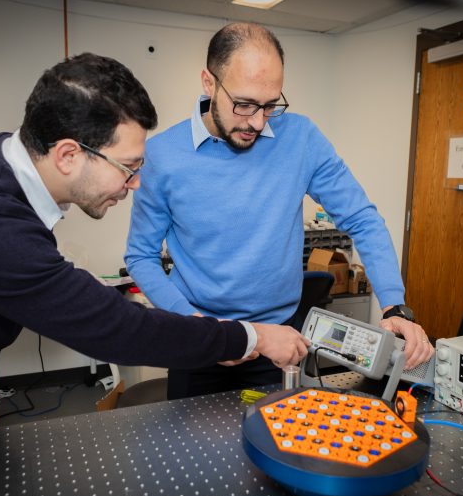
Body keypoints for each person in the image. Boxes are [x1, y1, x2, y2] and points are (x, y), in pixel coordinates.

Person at [0, 53, 310, 496]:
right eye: (128, 167)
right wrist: (252, 336)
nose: (133, 185)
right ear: (69, 154)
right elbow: (118, 329)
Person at [125, 23, 434, 400]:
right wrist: (200, 326)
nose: (257, 122)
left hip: (280, 342)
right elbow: (141, 256)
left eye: (270, 105)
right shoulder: (162, 156)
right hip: (201, 341)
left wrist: (395, 305)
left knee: (277, 449)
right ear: (209, 83)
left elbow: (362, 220)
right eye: (244, 104)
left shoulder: (301, 138)